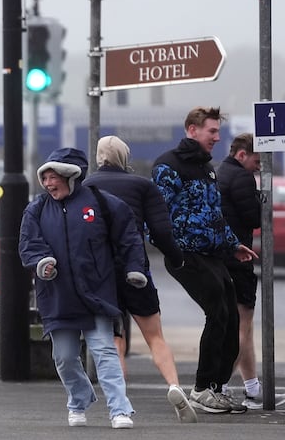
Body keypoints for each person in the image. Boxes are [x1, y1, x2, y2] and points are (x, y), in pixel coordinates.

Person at [19, 147, 146, 429]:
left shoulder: (102, 203)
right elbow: (28, 244)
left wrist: (135, 268)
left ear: (71, 176)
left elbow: (129, 237)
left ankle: (119, 410)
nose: (49, 183)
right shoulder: (36, 209)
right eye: (45, 178)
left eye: (54, 177)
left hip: (96, 293)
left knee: (104, 350)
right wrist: (43, 262)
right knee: (63, 357)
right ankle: (78, 400)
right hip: (58, 296)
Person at [82, 135, 198, 424]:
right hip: (135, 270)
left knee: (114, 341)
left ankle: (121, 402)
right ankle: (173, 385)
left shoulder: (84, 188)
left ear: (99, 157)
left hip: (101, 275)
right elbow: (161, 230)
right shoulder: (143, 185)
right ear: (125, 157)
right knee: (155, 337)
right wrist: (176, 258)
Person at [151, 107, 258, 414]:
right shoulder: (167, 166)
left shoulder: (207, 168)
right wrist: (172, 251)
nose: (216, 137)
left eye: (217, 131)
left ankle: (215, 387)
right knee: (217, 311)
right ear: (192, 130)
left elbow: (215, 215)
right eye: (211, 131)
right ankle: (201, 388)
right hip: (185, 253)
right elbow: (157, 215)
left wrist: (232, 244)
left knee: (230, 316)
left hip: (211, 253)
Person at [217, 133, 285, 409]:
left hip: (224, 257)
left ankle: (252, 388)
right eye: (257, 161)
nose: (260, 166)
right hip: (240, 257)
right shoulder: (241, 178)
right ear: (242, 155)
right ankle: (219, 386)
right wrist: (262, 199)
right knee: (242, 326)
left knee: (240, 325)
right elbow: (253, 219)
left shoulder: (221, 172)